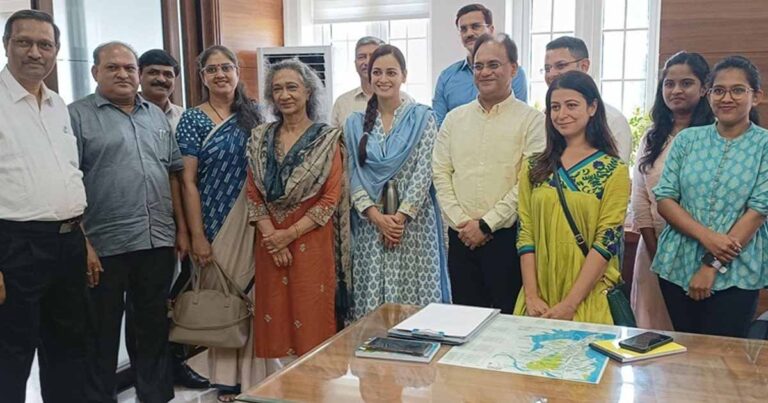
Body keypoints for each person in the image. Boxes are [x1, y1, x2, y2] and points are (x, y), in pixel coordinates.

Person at [69, 41, 183, 403]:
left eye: (129, 68)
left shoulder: (156, 115)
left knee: (152, 327)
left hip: (157, 239)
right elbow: (67, 182)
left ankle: (155, 396)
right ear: (95, 72)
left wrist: (181, 230)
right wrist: (83, 243)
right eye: (112, 67)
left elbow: (173, 174)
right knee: (100, 332)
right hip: (103, 245)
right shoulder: (76, 116)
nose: (122, 74)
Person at [0, 10, 89, 403]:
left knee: (68, 349)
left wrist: (83, 240)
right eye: (24, 42)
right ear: (6, 45)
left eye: (45, 44)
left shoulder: (57, 105)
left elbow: (67, 176)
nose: (35, 52)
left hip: (68, 241)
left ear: (55, 51)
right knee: (10, 353)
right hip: (14, 245)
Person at [175, 45, 267, 401]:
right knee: (227, 298)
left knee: (255, 297)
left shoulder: (254, 114)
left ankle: (255, 375)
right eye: (211, 69)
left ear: (237, 72)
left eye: (226, 67)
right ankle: (227, 378)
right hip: (214, 221)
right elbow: (187, 181)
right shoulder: (193, 120)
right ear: (202, 77)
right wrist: (196, 235)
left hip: (256, 219)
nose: (220, 75)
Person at [653, 56, 768, 338]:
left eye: (737, 90)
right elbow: (665, 199)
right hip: (677, 263)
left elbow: (758, 210)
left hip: (738, 269)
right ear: (708, 95)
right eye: (718, 90)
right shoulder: (687, 140)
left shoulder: (764, 144)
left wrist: (711, 265)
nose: (726, 98)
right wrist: (707, 237)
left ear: (756, 97)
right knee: (686, 350)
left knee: (725, 355)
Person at [433, 33, 544, 314]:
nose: (484, 72)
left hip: (508, 240)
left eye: (493, 65)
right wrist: (463, 222)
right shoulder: (454, 119)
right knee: (464, 322)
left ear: (513, 68)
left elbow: (527, 182)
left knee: (510, 323)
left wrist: (486, 225)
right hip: (461, 238)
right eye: (478, 66)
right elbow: (441, 173)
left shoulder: (532, 121)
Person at [246, 59, 345, 362]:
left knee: (311, 311)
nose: (285, 95)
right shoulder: (259, 137)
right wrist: (273, 239)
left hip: (310, 239)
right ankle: (283, 383)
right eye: (277, 89)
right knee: (275, 314)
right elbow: (253, 193)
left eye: (292, 87)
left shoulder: (327, 139)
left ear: (308, 92)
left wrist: (287, 235)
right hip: (269, 241)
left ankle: (315, 382)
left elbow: (330, 198)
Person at [513, 70, 630, 325]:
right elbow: (526, 233)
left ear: (592, 107)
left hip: (588, 296)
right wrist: (531, 296)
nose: (561, 114)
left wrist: (570, 304)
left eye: (571, 105)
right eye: (555, 107)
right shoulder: (533, 166)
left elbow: (606, 241)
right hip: (539, 296)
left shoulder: (614, 171)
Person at [344, 44, 450, 318]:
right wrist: (377, 218)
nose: (383, 79)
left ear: (404, 75)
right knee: (373, 307)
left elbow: (425, 170)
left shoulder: (423, 118)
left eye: (391, 72)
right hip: (371, 226)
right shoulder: (354, 123)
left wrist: (399, 219)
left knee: (416, 303)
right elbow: (352, 173)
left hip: (415, 226)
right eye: (377, 72)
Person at [137, 47, 210, 391]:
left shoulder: (185, 117)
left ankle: (179, 363)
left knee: (182, 296)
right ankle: (152, 374)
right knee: (151, 305)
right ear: (140, 75)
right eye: (153, 72)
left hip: (188, 222)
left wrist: (190, 230)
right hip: (145, 225)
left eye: (168, 74)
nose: (161, 79)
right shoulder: (132, 114)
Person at [630, 51, 714, 330]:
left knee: (696, 332)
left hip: (702, 249)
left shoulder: (715, 136)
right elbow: (640, 196)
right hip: (653, 247)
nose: (676, 90)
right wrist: (657, 252)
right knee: (654, 331)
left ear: (704, 88)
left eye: (686, 83)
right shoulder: (652, 136)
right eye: (669, 84)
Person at [432, 4, 528, 127]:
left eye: (475, 26)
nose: (469, 33)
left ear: (491, 29)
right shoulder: (446, 77)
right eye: (463, 29)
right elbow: (439, 125)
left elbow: (519, 117)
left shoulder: (513, 72)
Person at [543, 36, 632, 162]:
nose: (551, 74)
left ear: (584, 66)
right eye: (547, 68)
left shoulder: (613, 120)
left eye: (561, 65)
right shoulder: (541, 117)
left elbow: (615, 169)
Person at [330, 36, 413, 127]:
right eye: (362, 57)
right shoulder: (342, 103)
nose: (367, 62)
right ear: (355, 63)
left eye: (373, 56)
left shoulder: (406, 101)